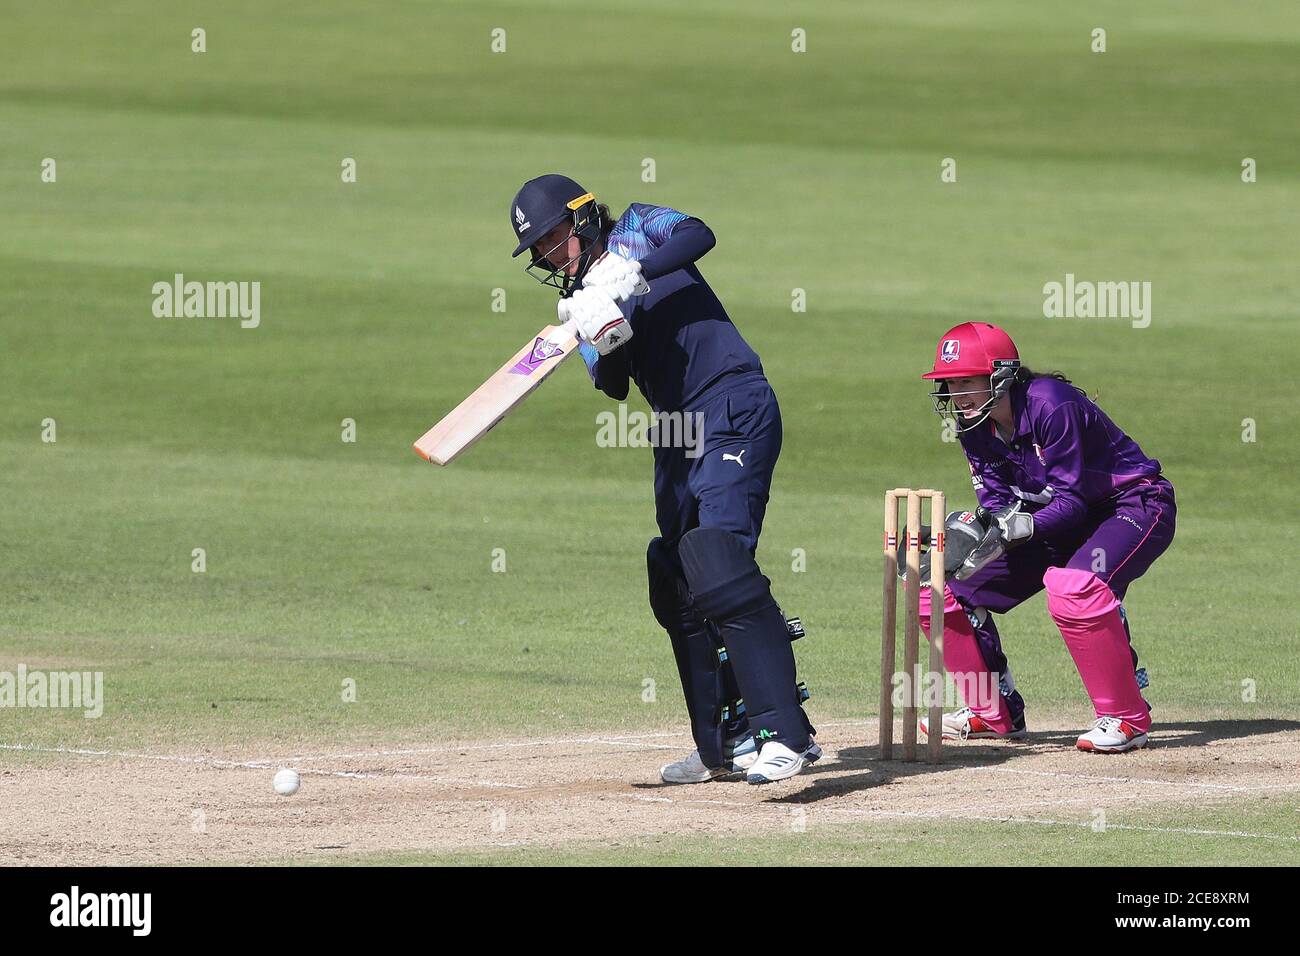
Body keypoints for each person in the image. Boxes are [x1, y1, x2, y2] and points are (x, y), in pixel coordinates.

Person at [508, 174, 817, 783]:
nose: (548, 256)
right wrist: (604, 327)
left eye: (551, 239)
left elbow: (700, 233)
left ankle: (786, 734)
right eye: (538, 250)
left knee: (719, 557)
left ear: (584, 217)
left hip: (732, 402)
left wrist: (629, 274)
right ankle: (725, 743)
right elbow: (615, 383)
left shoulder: (638, 226)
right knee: (677, 577)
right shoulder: (576, 304)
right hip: (675, 431)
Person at [917, 321, 1175, 752]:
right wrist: (975, 532)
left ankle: (1127, 719)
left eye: (966, 381)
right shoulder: (973, 427)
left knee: (1074, 587)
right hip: (1052, 520)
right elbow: (999, 501)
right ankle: (992, 712)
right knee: (938, 590)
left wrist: (1022, 526)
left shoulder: (1051, 405)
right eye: (949, 383)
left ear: (999, 376)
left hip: (1131, 505)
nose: (956, 395)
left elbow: (1073, 501)